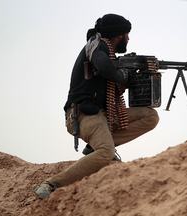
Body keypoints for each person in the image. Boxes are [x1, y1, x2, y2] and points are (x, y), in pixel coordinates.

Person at [33, 14, 159, 199]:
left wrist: (136, 74)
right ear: (118, 35)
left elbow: (111, 72)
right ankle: (51, 184)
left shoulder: (108, 53)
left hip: (103, 114)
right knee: (106, 152)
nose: (129, 39)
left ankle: (94, 147)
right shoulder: (96, 44)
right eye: (127, 34)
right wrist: (122, 75)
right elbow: (103, 66)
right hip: (84, 115)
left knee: (150, 116)